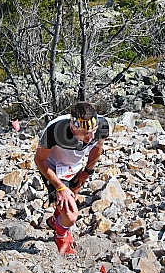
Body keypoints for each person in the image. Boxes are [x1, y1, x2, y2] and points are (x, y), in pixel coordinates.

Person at [34, 102, 109, 255]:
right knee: (71, 215)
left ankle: (56, 220)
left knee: (71, 198)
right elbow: (39, 160)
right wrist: (60, 188)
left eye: (93, 131)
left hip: (75, 165)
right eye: (85, 133)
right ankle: (60, 236)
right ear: (73, 128)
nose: (90, 137)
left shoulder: (101, 126)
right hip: (53, 167)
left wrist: (87, 172)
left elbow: (97, 148)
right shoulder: (55, 131)